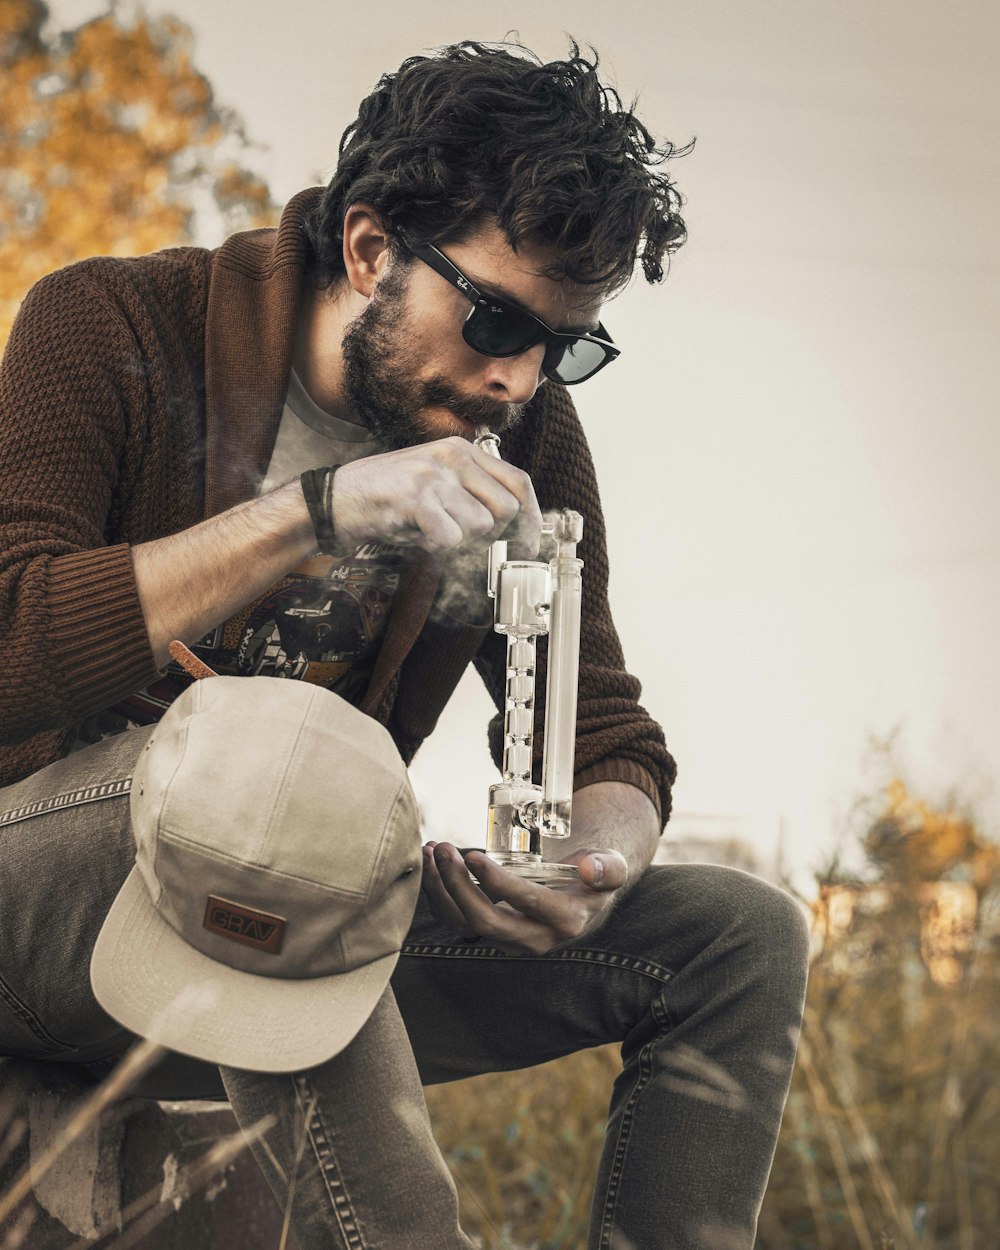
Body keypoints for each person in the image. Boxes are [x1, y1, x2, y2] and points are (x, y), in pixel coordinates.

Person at [0, 38, 810, 1250]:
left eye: (563, 344)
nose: (518, 377)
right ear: (370, 246)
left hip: (280, 916)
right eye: (494, 318)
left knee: (738, 935)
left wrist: (590, 860)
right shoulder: (113, 320)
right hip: (40, 902)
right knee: (269, 801)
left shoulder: (520, 434)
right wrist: (316, 513)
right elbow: (13, 638)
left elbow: (610, 735)